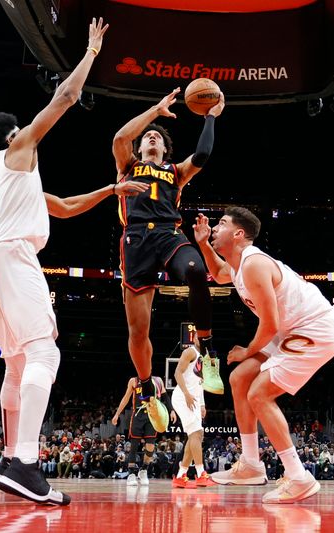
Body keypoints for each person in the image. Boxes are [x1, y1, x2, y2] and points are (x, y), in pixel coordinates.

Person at [0, 17, 110, 506]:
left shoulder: (8, 178)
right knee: (45, 352)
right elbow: (65, 100)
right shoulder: (20, 150)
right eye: (21, 129)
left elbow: (66, 206)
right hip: (11, 256)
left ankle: (12, 458)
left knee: (17, 363)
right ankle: (25, 463)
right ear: (11, 135)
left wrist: (112, 189)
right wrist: (91, 52)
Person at [192, 206, 334, 503]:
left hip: (313, 331)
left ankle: (299, 477)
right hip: (288, 331)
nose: (215, 228)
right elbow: (220, 273)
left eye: (221, 223)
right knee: (239, 379)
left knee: (259, 394)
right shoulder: (237, 264)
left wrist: (248, 350)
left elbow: (269, 323)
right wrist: (202, 243)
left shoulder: (254, 264)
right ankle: (250, 465)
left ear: (238, 234)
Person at [111, 87, 226, 402]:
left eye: (157, 137)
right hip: (135, 241)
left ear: (164, 148)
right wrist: (155, 111)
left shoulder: (174, 172)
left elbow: (201, 156)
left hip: (168, 233)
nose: (151, 137)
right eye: (147, 136)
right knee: (138, 332)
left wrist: (211, 118)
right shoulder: (128, 165)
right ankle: (147, 386)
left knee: (196, 270)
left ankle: (208, 350)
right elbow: (121, 138)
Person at [111, 374, 174, 486]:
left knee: (150, 445)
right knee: (134, 445)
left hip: (152, 415)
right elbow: (125, 398)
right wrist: (117, 414)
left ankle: (143, 470)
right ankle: (131, 474)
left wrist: (171, 410)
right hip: (138, 415)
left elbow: (165, 397)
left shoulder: (158, 380)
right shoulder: (133, 381)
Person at [170, 336, 216, 488]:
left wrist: (202, 404)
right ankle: (201, 473)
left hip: (194, 399)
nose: (201, 338)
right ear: (195, 338)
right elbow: (177, 373)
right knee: (196, 434)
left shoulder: (205, 356)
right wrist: (186, 394)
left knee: (196, 435)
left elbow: (200, 383)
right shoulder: (190, 352)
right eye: (198, 336)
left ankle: (180, 475)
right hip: (183, 397)